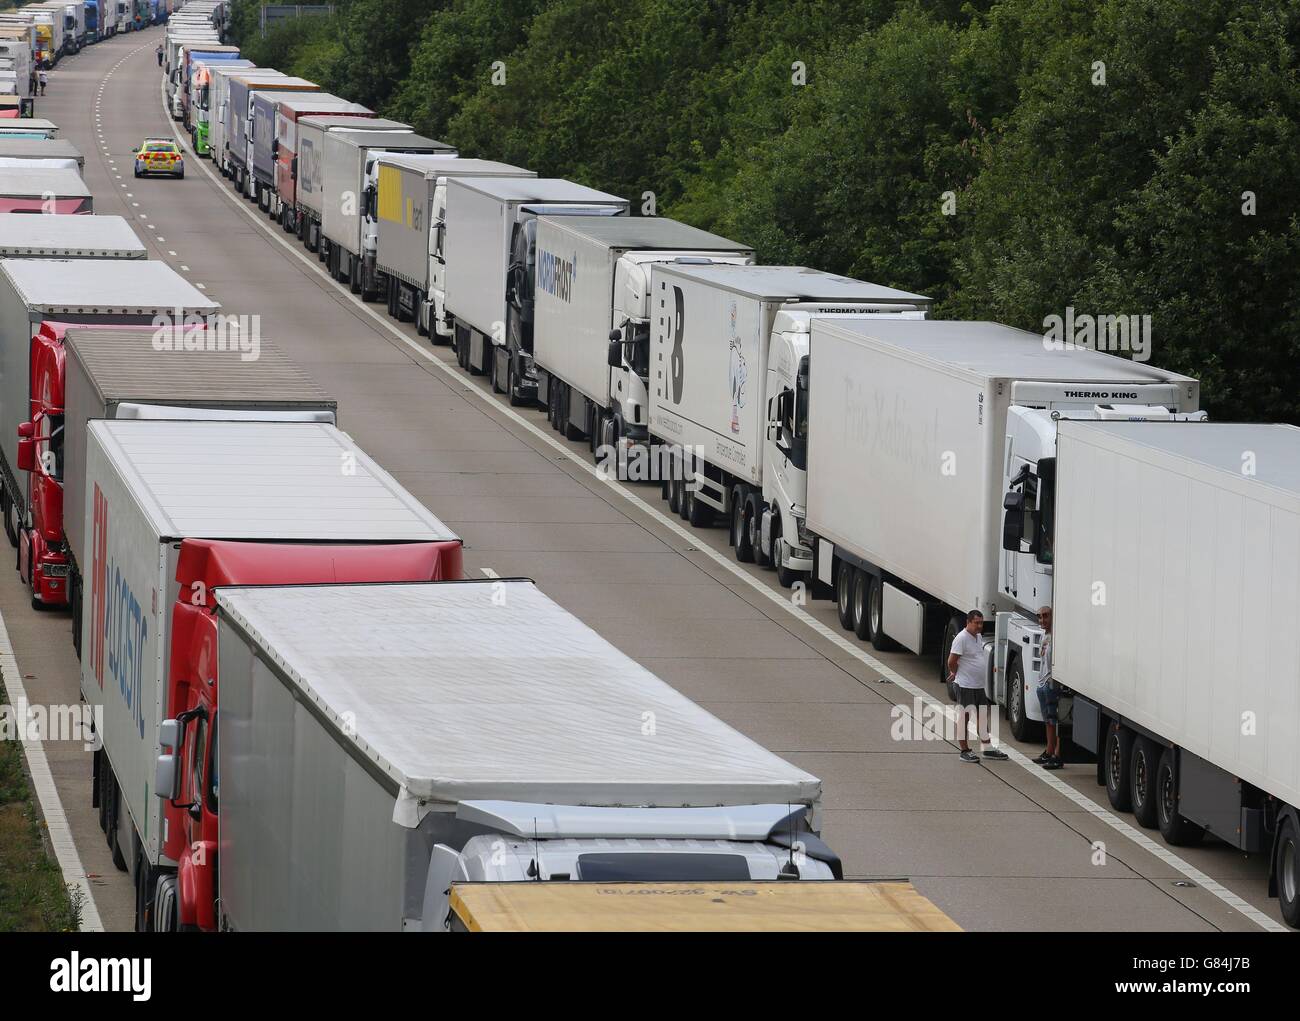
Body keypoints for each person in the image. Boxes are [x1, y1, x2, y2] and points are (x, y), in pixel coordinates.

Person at [948, 610, 1008, 763]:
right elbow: (951, 661)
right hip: (965, 685)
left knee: (982, 716)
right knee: (965, 717)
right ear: (968, 622)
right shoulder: (961, 638)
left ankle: (987, 748)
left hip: (978, 686)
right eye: (977, 623)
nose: (980, 626)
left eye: (981, 623)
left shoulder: (978, 637)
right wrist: (956, 673)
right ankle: (964, 750)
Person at [1031, 607, 1063, 769]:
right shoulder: (1044, 636)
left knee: (1055, 720)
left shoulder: (1057, 637)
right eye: (1040, 617)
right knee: (1047, 721)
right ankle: (1049, 751)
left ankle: (1057, 754)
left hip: (1051, 684)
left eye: (1045, 616)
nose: (1042, 620)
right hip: (1043, 683)